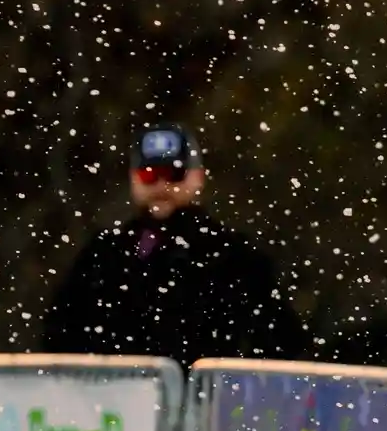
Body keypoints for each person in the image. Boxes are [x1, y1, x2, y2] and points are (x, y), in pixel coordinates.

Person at [40, 125, 305, 367]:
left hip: (205, 408)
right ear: (133, 178)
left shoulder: (234, 256)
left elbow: (278, 342)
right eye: (149, 175)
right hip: (119, 407)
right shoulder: (104, 254)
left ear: (197, 177)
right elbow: (60, 336)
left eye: (174, 174)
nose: (161, 185)